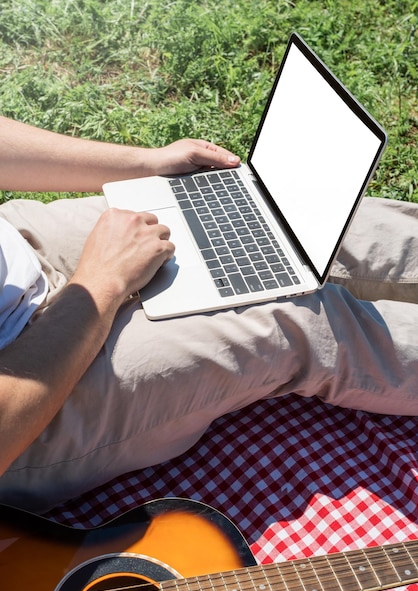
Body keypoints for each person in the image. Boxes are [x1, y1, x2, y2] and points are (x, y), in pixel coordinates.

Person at [0, 115, 417, 513]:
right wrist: (102, 283)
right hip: (25, 414)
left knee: (279, 217)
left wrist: (145, 163)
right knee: (297, 317)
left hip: (21, 242)